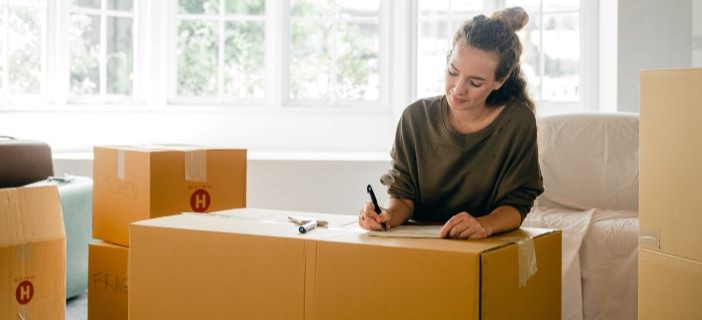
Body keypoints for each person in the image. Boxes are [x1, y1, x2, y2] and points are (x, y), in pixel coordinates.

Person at [359, 7, 543, 239]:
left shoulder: (517, 122)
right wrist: (385, 215)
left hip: (486, 244)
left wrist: (484, 224)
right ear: (447, 60)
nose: (458, 89)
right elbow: (403, 198)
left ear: (501, 80)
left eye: (475, 83)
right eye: (453, 72)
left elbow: (518, 202)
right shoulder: (415, 118)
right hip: (420, 246)